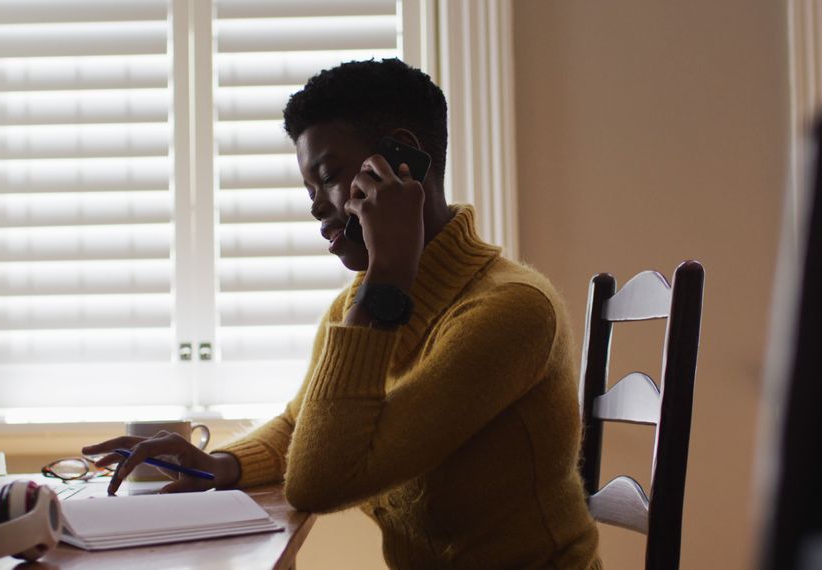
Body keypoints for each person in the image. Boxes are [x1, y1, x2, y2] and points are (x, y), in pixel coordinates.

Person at [83, 58, 601, 569]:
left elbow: (319, 482)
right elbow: (301, 424)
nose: (314, 207)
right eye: (309, 189)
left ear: (404, 160)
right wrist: (218, 464)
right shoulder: (362, 304)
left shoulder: (510, 310)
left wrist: (389, 277)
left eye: (328, 176)